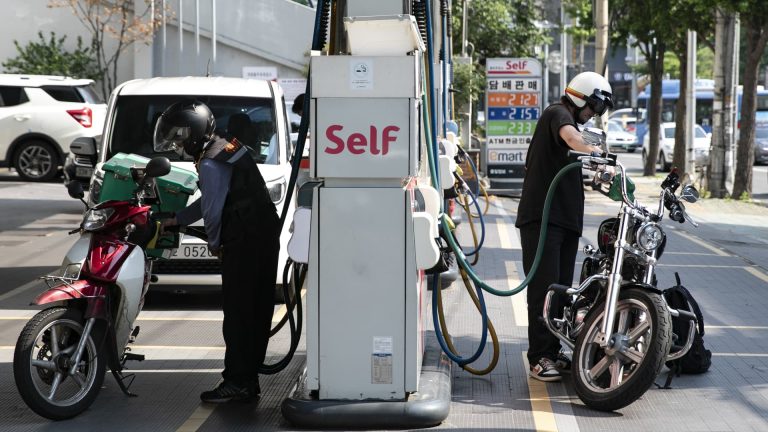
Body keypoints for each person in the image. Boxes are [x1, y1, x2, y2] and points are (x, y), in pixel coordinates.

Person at [155, 101, 280, 402]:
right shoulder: (224, 146)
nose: (177, 143)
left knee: (238, 314)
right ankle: (247, 379)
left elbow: (212, 212)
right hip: (262, 234)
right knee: (255, 310)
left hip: (245, 240)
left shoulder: (210, 162)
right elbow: (214, 198)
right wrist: (179, 219)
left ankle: (238, 381)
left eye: (180, 136)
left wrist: (215, 244)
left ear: (195, 132)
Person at [515, 71, 614, 382]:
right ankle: (538, 358)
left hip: (565, 222)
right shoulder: (557, 114)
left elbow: (578, 142)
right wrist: (597, 153)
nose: (593, 114)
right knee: (543, 290)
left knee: (561, 291)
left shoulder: (574, 125)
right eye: (594, 106)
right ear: (580, 97)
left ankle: (553, 349)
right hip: (543, 219)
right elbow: (572, 137)